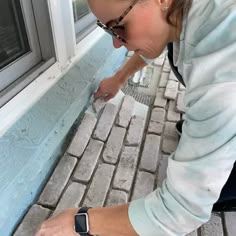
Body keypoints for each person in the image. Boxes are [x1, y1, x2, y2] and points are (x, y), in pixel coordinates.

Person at [35, 0, 236, 235]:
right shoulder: (183, 13)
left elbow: (179, 211)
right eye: (108, 30)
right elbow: (157, 38)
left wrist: (80, 221)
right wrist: (119, 77)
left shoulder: (220, 67)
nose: (116, 44)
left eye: (119, 28)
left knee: (215, 191)